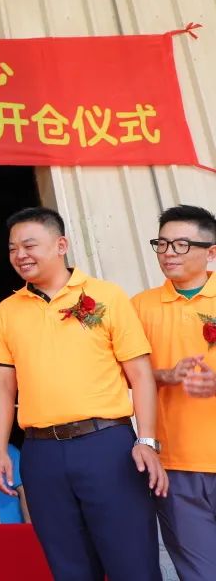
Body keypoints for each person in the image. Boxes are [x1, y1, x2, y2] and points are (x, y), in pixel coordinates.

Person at [0, 207, 167, 581]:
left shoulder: (106, 296)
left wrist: (147, 440)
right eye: (13, 248)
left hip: (107, 446)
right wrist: (0, 450)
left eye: (29, 245)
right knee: (68, 566)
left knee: (132, 562)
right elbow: (3, 385)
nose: (20, 255)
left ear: (61, 245)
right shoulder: (7, 310)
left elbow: (140, 375)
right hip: (41, 453)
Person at [131, 205, 216, 581]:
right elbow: (117, 374)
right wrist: (164, 375)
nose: (168, 253)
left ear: (211, 252)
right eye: (162, 244)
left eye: (181, 244)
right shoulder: (139, 307)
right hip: (176, 466)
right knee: (200, 574)